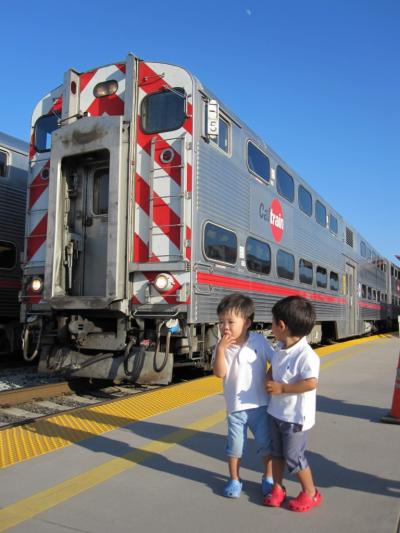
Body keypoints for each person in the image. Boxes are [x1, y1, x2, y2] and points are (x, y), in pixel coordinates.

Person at [263, 295, 322, 512]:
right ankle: (278, 488)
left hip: (295, 418)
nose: (271, 326)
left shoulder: (307, 355)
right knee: (276, 453)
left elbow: (310, 383)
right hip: (276, 412)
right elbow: (274, 365)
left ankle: (311, 492)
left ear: (281, 326)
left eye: (272, 322)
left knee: (293, 457)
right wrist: (269, 377)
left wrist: (282, 388)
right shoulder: (280, 346)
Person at [213, 292, 274, 499]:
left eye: (230, 321)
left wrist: (269, 377)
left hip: (261, 406)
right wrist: (221, 350)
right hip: (235, 408)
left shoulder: (259, 341)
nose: (225, 327)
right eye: (221, 322)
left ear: (247, 322)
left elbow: (275, 361)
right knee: (235, 447)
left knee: (266, 445)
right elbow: (220, 373)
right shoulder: (221, 347)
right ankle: (234, 479)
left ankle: (269, 477)